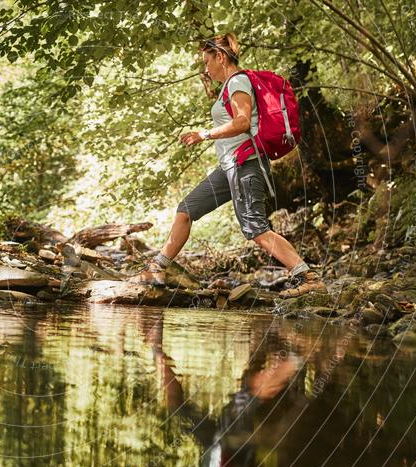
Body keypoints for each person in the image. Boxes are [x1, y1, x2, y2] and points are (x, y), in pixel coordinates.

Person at [129, 33, 326, 299]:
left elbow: (242, 122)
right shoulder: (229, 86)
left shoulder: (238, 82)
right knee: (187, 209)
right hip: (230, 167)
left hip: (246, 165)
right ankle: (156, 268)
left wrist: (204, 134)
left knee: (256, 229)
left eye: (206, 61)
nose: (205, 69)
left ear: (220, 57)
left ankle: (307, 276)